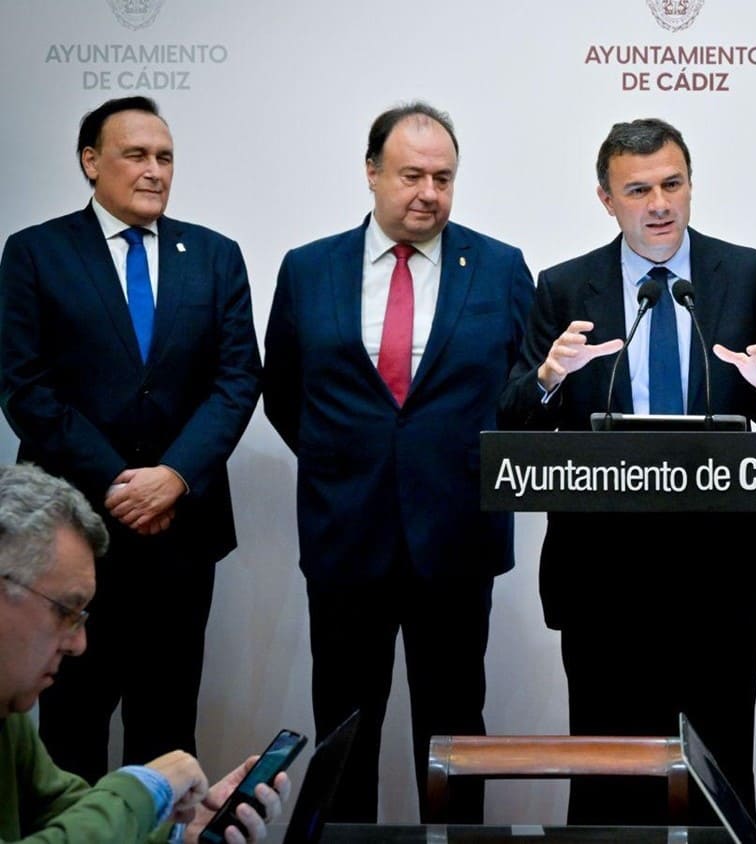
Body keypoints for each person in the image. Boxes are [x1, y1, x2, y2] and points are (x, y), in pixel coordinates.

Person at [498, 117, 756, 825]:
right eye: (638, 189)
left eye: (672, 184)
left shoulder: (744, 271)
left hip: (719, 574)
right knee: (609, 780)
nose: (659, 203)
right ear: (607, 199)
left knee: (720, 773)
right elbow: (514, 422)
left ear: (691, 184)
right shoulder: (566, 286)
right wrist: (548, 375)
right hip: (603, 577)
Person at [262, 101, 534, 823]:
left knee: (453, 733)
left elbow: (522, 392)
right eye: (412, 174)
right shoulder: (309, 268)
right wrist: (350, 463)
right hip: (346, 535)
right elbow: (285, 393)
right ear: (371, 172)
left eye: (444, 178)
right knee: (346, 732)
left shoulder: (501, 267)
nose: (429, 193)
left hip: (457, 536)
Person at [0, 96, 262, 783]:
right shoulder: (35, 253)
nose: (154, 171)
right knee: (70, 730)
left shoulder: (213, 256)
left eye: (165, 157)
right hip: (75, 536)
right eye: (136, 155)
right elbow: (26, 388)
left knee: (168, 732)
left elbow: (238, 381)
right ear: (91, 162)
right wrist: (122, 481)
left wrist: (173, 476)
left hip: (180, 538)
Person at [0, 463, 289, 843]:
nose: (78, 643)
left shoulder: (7, 707)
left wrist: (180, 831)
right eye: (64, 611)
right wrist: (144, 787)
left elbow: (62, 810)